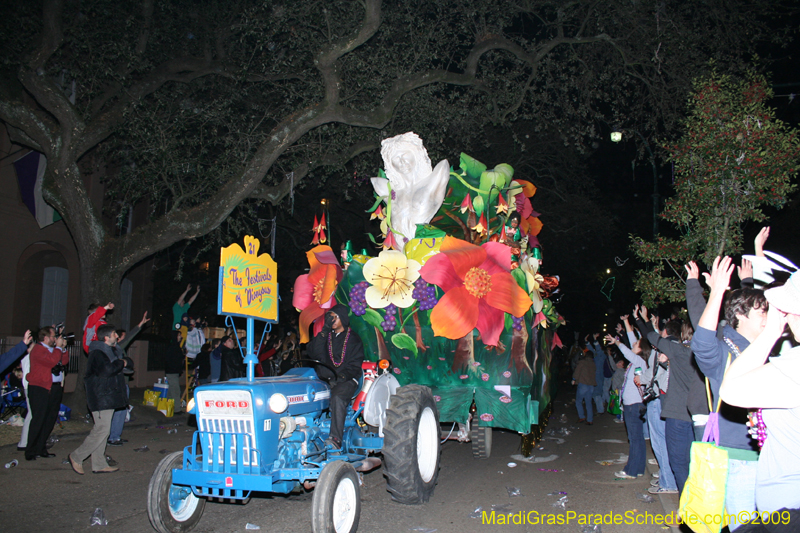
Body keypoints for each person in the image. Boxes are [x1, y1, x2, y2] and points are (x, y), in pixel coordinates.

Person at [719, 270, 800, 529]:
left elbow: (731, 390)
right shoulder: (726, 344)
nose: (781, 315)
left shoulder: (792, 362)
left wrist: (770, 333)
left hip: (789, 508)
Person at [691, 256, 767, 529]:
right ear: (740, 316)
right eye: (762, 314)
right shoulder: (727, 351)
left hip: (766, 457)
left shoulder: (762, 351)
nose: (767, 320)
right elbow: (702, 344)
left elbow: (748, 307)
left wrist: (747, 282)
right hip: (739, 459)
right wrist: (715, 294)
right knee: (743, 526)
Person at [69, 324, 131, 475]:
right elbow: (107, 371)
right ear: (106, 337)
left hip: (107, 395)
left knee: (103, 430)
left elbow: (122, 366)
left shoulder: (111, 351)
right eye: (114, 334)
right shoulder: (98, 353)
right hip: (101, 396)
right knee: (102, 429)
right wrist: (121, 362)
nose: (117, 336)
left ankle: (99, 464)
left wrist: (123, 362)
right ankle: (76, 456)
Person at [308, 304, 364, 450]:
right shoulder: (327, 337)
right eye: (329, 317)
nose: (331, 320)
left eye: (334, 317)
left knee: (338, 397)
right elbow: (313, 352)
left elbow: (354, 365)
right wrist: (324, 330)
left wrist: (340, 378)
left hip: (347, 379)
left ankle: (335, 439)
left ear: (343, 319)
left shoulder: (353, 339)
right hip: (326, 379)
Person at [606, 312, 649, 479]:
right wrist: (626, 323)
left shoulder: (639, 361)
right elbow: (632, 341)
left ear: (641, 349)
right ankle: (637, 469)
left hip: (634, 405)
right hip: (632, 405)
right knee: (636, 438)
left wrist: (617, 342)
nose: (633, 344)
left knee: (635, 439)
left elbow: (628, 352)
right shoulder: (637, 361)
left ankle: (631, 470)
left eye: (637, 344)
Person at [25, 326, 69, 461]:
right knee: (39, 419)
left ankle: (41, 447)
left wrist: (64, 349)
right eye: (52, 336)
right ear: (45, 338)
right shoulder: (38, 349)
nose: (55, 338)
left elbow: (64, 361)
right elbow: (51, 361)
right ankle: (30, 450)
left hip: (54, 387)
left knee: (50, 419)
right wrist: (58, 348)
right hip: (40, 388)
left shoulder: (54, 350)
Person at [107, 311, 148, 446]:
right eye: (120, 336)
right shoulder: (115, 348)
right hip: (117, 384)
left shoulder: (117, 350)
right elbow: (129, 337)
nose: (122, 338)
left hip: (122, 383)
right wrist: (139, 326)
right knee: (117, 411)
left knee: (121, 411)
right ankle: (112, 437)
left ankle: (115, 436)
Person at [572, 348, 596, 425]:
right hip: (591, 385)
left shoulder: (582, 362)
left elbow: (577, 371)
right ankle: (590, 420)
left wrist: (574, 379)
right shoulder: (593, 364)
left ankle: (582, 417)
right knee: (588, 402)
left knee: (578, 401)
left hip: (583, 384)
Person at [164, 331, 185, 413]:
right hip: (172, 371)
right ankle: (176, 409)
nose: (180, 337)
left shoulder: (176, 346)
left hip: (173, 371)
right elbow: (172, 359)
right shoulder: (173, 347)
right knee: (176, 390)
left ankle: (167, 406)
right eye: (179, 335)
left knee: (172, 390)